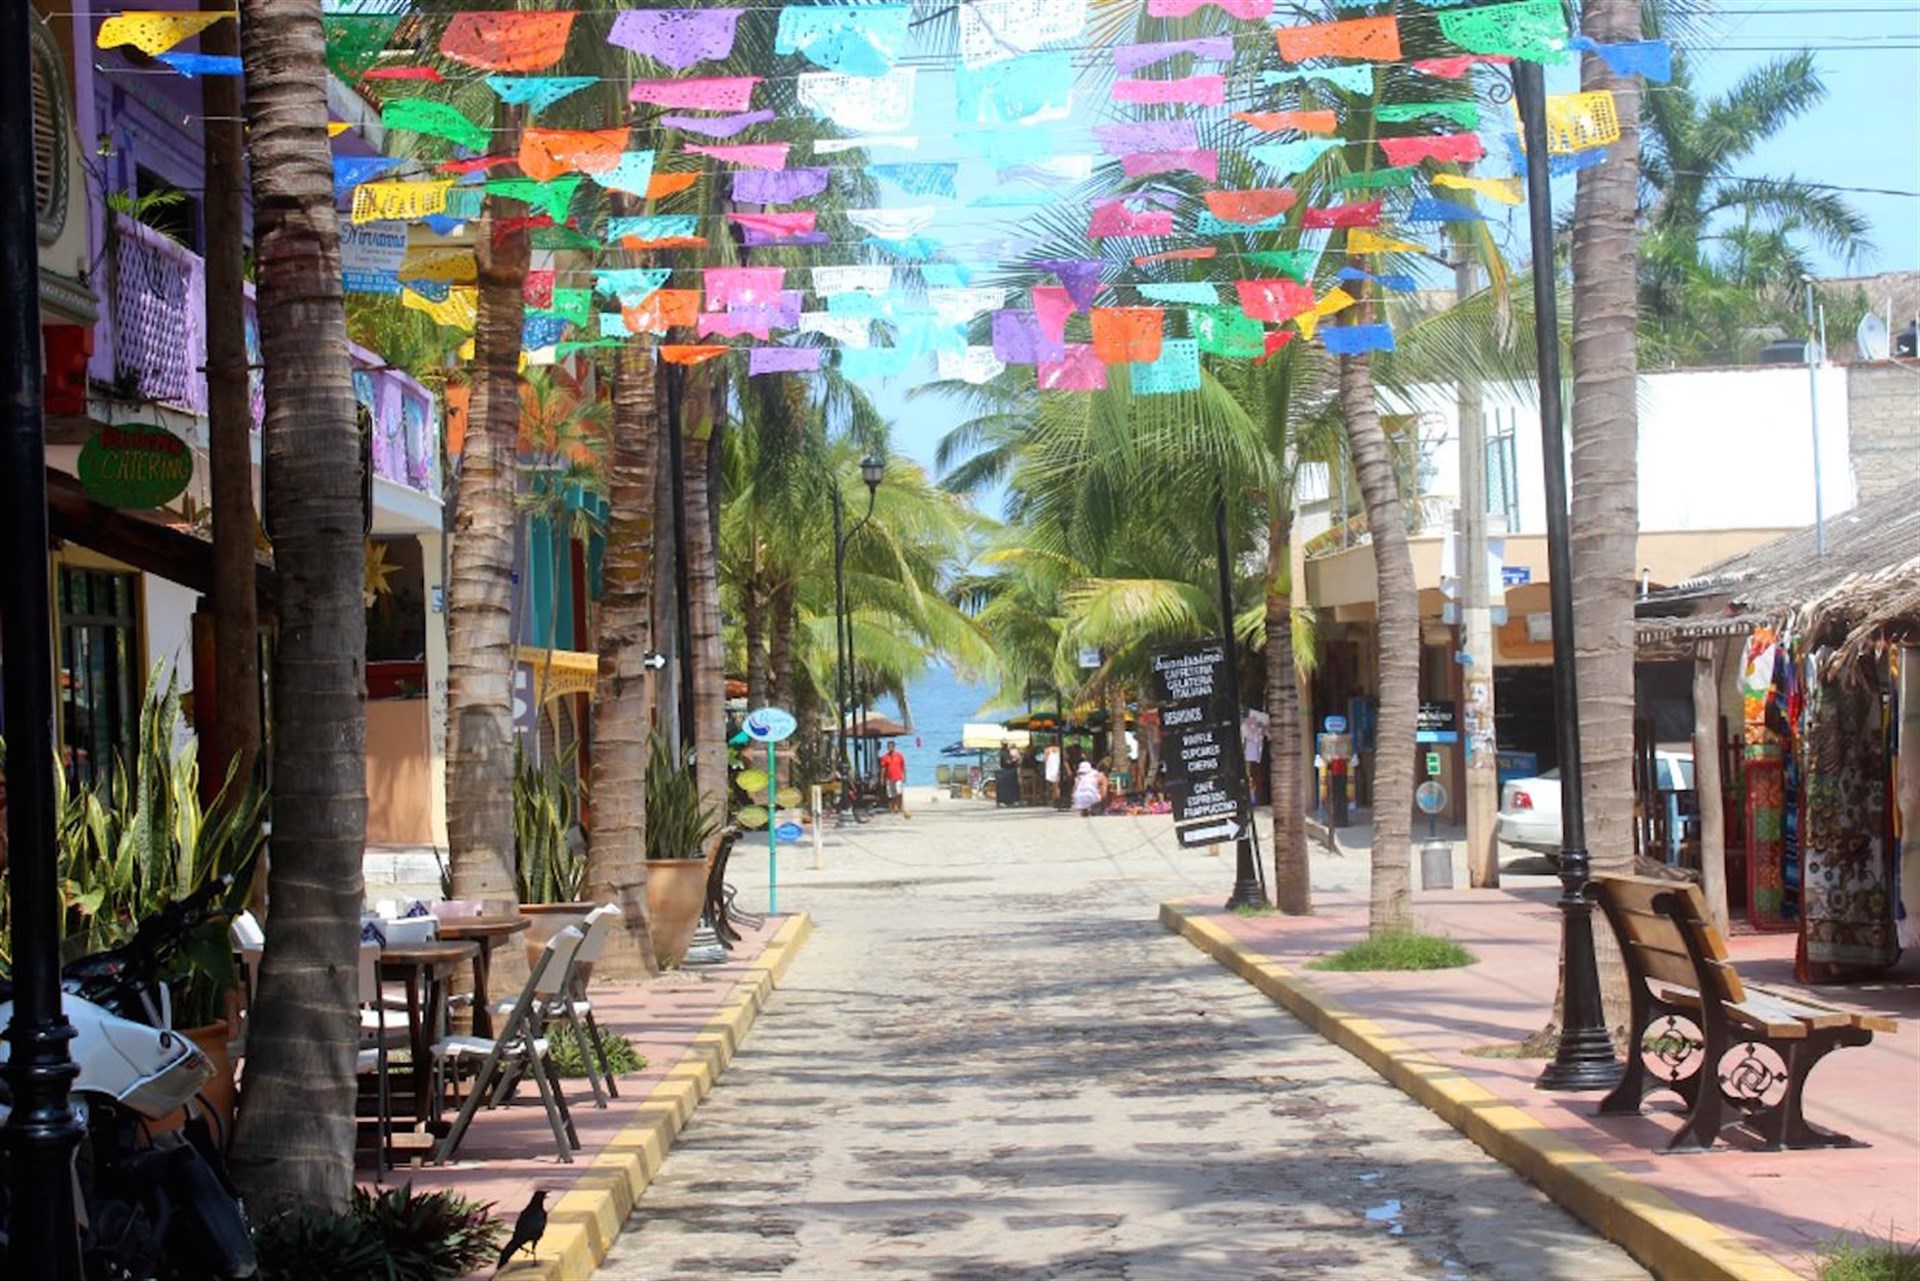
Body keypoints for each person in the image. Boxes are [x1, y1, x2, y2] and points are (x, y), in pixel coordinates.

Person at [879, 740, 907, 814]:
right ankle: (892, 808)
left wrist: (905, 776)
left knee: (898, 791)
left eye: (891, 746)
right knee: (891, 794)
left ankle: (899, 806)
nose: (890, 748)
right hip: (889, 778)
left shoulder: (899, 755)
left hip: (898, 777)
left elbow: (903, 766)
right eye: (889, 747)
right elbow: (883, 769)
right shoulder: (885, 757)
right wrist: (882, 778)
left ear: (894, 747)